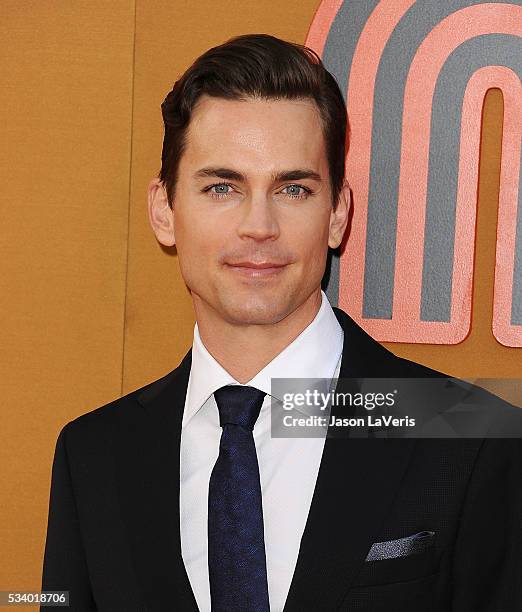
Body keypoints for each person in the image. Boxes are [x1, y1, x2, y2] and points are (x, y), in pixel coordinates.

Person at [41, 34, 521, 611]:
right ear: (165, 210)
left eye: (293, 189)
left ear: (338, 214)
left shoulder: (472, 433)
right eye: (222, 187)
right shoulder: (94, 455)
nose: (258, 226)